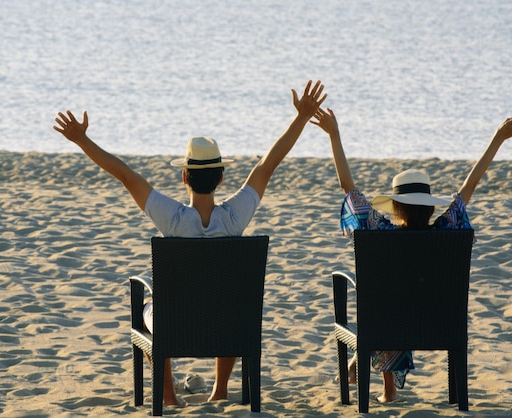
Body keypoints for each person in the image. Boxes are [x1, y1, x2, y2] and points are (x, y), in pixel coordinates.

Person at [53, 80, 327, 407]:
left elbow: (125, 175)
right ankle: (220, 390)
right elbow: (267, 165)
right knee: (230, 299)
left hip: (177, 322)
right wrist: (299, 118)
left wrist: (81, 139)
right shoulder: (234, 217)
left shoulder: (171, 218)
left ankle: (168, 397)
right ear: (222, 178)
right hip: (227, 322)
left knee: (147, 308)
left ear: (184, 177)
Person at [311, 106, 512, 403]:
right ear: (429, 207)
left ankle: (380, 384)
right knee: (401, 299)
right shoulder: (446, 231)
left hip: (387, 322)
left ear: (395, 206)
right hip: (437, 322)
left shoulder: (380, 232)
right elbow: (469, 186)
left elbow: (347, 186)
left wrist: (334, 134)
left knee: (386, 300)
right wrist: (497, 139)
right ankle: (378, 383)